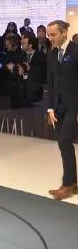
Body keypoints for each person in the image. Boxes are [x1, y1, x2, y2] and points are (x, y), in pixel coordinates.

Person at [46, 20, 78, 200]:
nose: (50, 38)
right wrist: (50, 107)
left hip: (74, 106)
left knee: (65, 142)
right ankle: (72, 183)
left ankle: (67, 184)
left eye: (53, 34)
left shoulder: (76, 50)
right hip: (58, 107)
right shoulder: (52, 54)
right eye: (48, 35)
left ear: (64, 32)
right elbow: (50, 83)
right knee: (63, 144)